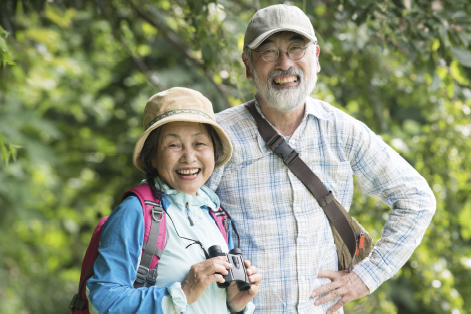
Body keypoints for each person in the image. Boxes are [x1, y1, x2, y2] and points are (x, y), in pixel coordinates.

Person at [206, 4, 436, 313]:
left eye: (296, 49)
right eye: (269, 52)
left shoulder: (341, 130)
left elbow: (417, 199)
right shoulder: (217, 136)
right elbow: (175, 216)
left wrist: (366, 277)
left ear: (316, 58)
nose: (285, 63)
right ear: (248, 65)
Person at [87, 87, 261, 313]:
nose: (189, 157)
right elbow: (102, 299)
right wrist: (183, 292)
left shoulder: (214, 214)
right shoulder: (136, 211)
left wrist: (234, 304)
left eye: (199, 144)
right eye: (173, 145)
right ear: (152, 157)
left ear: (213, 152)